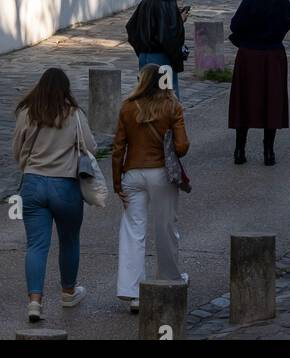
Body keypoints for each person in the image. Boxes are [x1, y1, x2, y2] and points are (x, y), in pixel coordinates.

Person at [12, 66, 97, 323]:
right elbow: (90, 147)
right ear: (65, 90)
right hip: (65, 185)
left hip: (33, 183)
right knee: (69, 241)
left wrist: (30, 166)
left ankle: (35, 302)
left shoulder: (28, 113)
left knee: (36, 245)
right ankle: (68, 292)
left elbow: (17, 147)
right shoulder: (74, 115)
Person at [112, 65, 190, 311]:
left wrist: (117, 182)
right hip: (161, 173)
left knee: (133, 231)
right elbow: (182, 147)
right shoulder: (172, 107)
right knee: (166, 227)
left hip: (132, 174)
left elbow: (117, 150)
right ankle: (169, 280)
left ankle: (133, 292)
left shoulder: (127, 107)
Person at [228, 0, 290, 165]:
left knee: (244, 101)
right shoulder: (282, 2)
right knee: (271, 100)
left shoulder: (249, 1)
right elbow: (287, 24)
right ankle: (268, 152)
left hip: (249, 55)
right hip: (273, 54)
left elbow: (235, 25)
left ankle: (240, 150)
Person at [125, 0, 188, 96]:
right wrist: (179, 21)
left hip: (144, 58)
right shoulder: (169, 5)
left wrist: (141, 50)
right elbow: (168, 36)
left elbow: (131, 28)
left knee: (146, 97)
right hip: (162, 59)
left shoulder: (145, 2)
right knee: (166, 100)